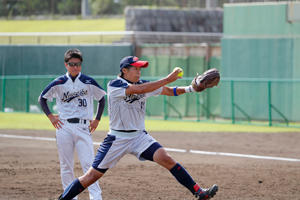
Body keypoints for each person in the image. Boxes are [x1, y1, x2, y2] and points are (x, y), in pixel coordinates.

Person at [58, 56, 218, 200]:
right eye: (135, 68)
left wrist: (192, 88)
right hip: (117, 139)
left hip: (139, 137)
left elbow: (169, 91)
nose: (139, 71)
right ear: (124, 70)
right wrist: (168, 78)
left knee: (166, 158)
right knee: (91, 177)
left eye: (140, 68)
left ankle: (199, 192)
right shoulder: (115, 85)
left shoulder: (143, 84)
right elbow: (139, 90)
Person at [38, 49, 105, 200]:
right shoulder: (59, 82)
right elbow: (42, 98)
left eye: (78, 64)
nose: (75, 67)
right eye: (72, 64)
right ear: (66, 65)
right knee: (66, 166)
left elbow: (101, 98)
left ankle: (96, 197)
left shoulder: (88, 81)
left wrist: (97, 119)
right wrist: (51, 117)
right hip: (64, 127)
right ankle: (70, 198)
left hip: (83, 127)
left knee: (89, 166)